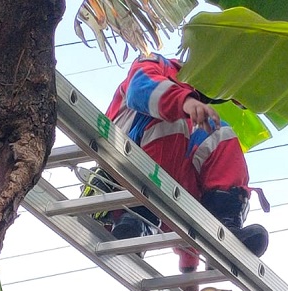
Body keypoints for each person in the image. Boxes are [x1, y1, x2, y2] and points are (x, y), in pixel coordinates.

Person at [104, 52, 269, 273]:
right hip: (126, 156)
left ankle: (224, 226)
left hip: (162, 183)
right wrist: (185, 103)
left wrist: (189, 263)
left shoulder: (192, 122)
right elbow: (139, 89)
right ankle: (138, 217)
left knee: (220, 135)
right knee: (174, 120)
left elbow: (181, 191)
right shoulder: (156, 64)